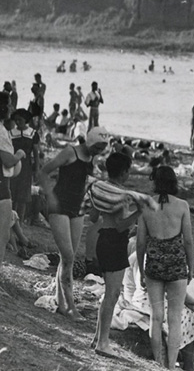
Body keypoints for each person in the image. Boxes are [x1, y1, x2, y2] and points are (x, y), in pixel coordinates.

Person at [87, 153, 155, 359]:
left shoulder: (100, 189)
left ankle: (97, 337)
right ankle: (102, 342)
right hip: (115, 243)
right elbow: (120, 226)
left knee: (109, 293)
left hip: (101, 239)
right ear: (124, 172)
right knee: (112, 294)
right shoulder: (121, 195)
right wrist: (138, 212)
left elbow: (92, 216)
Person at [36, 127, 108, 319]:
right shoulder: (70, 152)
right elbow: (43, 172)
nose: (98, 153)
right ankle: (71, 307)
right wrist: (49, 196)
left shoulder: (92, 158)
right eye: (97, 148)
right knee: (68, 257)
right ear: (90, 142)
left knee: (68, 257)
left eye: (101, 150)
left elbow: (83, 181)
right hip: (58, 207)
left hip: (77, 209)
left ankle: (61, 303)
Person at [136, 166, 193, 369]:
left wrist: (141, 271)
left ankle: (158, 363)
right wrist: (191, 267)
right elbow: (188, 242)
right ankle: (170, 364)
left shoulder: (145, 205)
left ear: (155, 181)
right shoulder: (182, 205)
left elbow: (140, 242)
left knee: (156, 316)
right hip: (177, 263)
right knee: (175, 317)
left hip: (154, 263)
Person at [0, 100, 26, 266]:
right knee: (2, 237)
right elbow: (8, 161)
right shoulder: (1, 131)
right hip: (2, 188)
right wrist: (19, 154)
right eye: (8, 105)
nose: (11, 108)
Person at [9, 109, 40, 229]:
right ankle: (10, 223)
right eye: (16, 120)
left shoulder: (33, 133)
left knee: (23, 196)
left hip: (26, 167)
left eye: (20, 120)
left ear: (25, 120)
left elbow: (36, 153)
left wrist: (36, 169)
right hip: (13, 165)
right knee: (12, 194)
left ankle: (19, 224)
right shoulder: (11, 133)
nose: (17, 122)